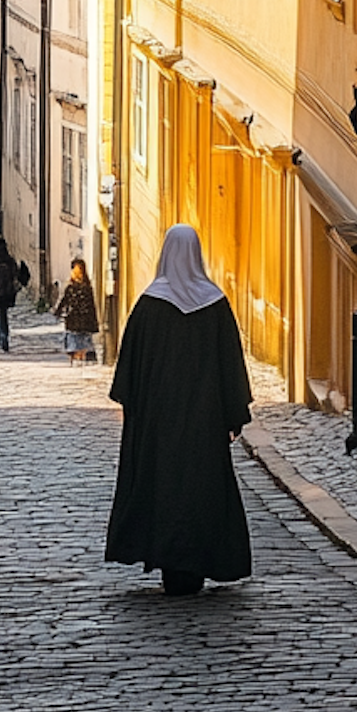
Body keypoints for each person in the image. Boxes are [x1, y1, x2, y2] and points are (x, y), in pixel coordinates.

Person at [105, 224, 253, 597]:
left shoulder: (148, 307)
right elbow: (230, 367)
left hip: (159, 427)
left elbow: (129, 375)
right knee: (201, 491)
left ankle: (169, 561)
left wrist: (138, 417)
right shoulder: (215, 305)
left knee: (163, 490)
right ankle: (200, 561)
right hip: (204, 424)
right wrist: (232, 416)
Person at [56, 257, 99, 365]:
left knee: (80, 339)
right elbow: (64, 301)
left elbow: (90, 305)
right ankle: (78, 357)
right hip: (76, 320)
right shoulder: (74, 287)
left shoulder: (84, 288)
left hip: (80, 320)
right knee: (77, 339)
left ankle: (80, 357)